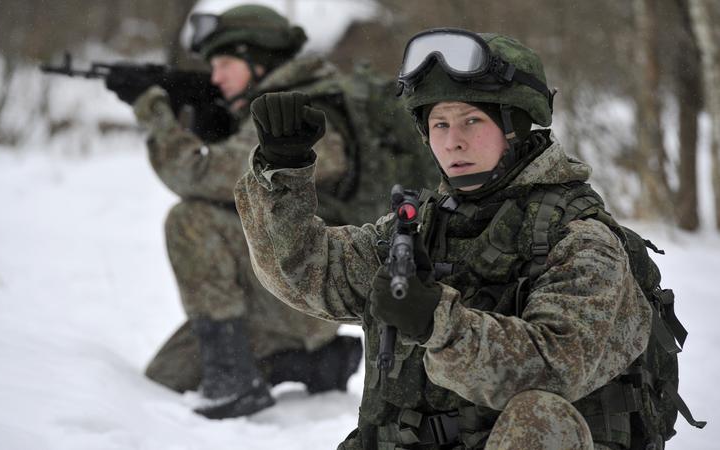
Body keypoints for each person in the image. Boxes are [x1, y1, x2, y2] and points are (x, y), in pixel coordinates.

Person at [235, 28, 654, 449]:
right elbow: (308, 273)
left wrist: (436, 321)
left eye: (472, 120)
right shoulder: (419, 229)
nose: (453, 141)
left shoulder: (579, 240)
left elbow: (556, 365)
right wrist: (283, 173)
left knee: (541, 418)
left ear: (517, 125)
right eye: (439, 124)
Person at [105, 4, 435, 420]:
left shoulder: (306, 116)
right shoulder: (279, 105)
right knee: (166, 376)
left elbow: (199, 175)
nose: (216, 77)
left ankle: (235, 382)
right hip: (285, 284)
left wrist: (154, 112)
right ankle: (310, 359)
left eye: (225, 63)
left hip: (313, 289)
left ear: (258, 62)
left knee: (190, 218)